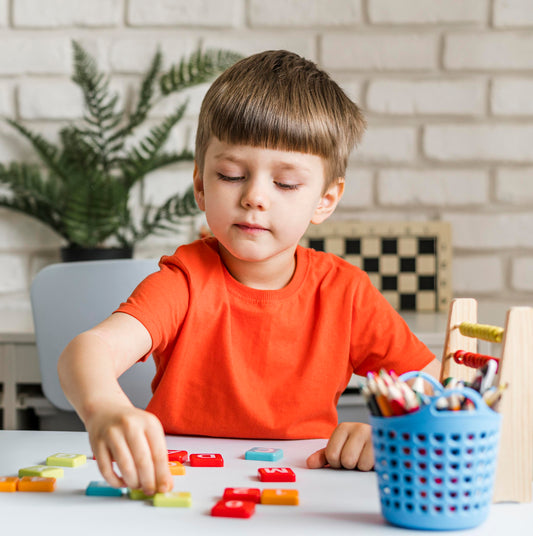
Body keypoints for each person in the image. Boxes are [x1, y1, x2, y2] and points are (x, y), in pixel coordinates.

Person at [58, 50, 441, 497]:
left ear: (325, 200)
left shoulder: (345, 293)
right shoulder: (184, 281)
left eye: (285, 183)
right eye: (230, 174)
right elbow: (89, 350)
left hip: (306, 497)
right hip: (181, 490)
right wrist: (104, 408)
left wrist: (394, 430)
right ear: (201, 185)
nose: (255, 197)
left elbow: (438, 386)